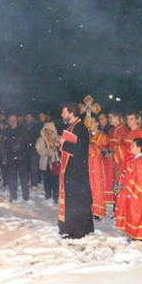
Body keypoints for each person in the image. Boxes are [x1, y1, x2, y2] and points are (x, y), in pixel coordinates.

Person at [58, 102, 94, 239]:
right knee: (71, 200)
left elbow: (80, 149)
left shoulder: (81, 128)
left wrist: (64, 144)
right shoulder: (71, 127)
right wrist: (62, 144)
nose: (62, 115)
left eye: (64, 112)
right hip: (70, 170)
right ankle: (69, 227)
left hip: (77, 171)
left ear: (72, 113)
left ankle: (78, 231)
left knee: (77, 201)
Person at [115, 138, 142, 242]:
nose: (130, 147)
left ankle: (141, 236)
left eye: (133, 145)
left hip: (139, 194)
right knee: (134, 214)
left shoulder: (140, 161)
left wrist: (133, 191)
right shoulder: (137, 159)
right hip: (134, 192)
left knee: (138, 213)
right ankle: (136, 234)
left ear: (139, 148)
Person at [0, 115, 30, 202]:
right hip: (10, 157)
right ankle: (13, 196)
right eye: (10, 120)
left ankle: (26, 196)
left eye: (14, 120)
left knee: (24, 178)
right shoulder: (6, 132)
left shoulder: (23, 130)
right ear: (8, 122)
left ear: (17, 120)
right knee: (12, 177)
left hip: (22, 157)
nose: (12, 122)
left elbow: (28, 144)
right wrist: (4, 158)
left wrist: (25, 155)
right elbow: (2, 146)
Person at [106, 110, 129, 204]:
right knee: (114, 183)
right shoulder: (111, 131)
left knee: (121, 183)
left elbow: (127, 147)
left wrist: (115, 151)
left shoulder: (125, 130)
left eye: (111, 117)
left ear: (117, 117)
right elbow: (108, 144)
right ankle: (116, 205)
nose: (109, 120)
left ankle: (121, 206)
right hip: (112, 162)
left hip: (121, 162)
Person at [88, 115, 108, 219]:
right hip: (87, 164)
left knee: (97, 186)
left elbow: (102, 150)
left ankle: (97, 211)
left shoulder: (102, 136)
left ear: (96, 123)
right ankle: (88, 209)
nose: (89, 124)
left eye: (91, 122)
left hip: (97, 165)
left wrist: (91, 146)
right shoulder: (86, 135)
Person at [35, 121, 60, 202]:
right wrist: (49, 150)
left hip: (55, 163)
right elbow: (40, 150)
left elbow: (60, 150)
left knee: (56, 181)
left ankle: (55, 197)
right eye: (46, 130)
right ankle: (48, 196)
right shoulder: (41, 140)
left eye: (49, 130)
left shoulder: (58, 139)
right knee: (47, 180)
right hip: (45, 164)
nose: (48, 132)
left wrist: (53, 147)